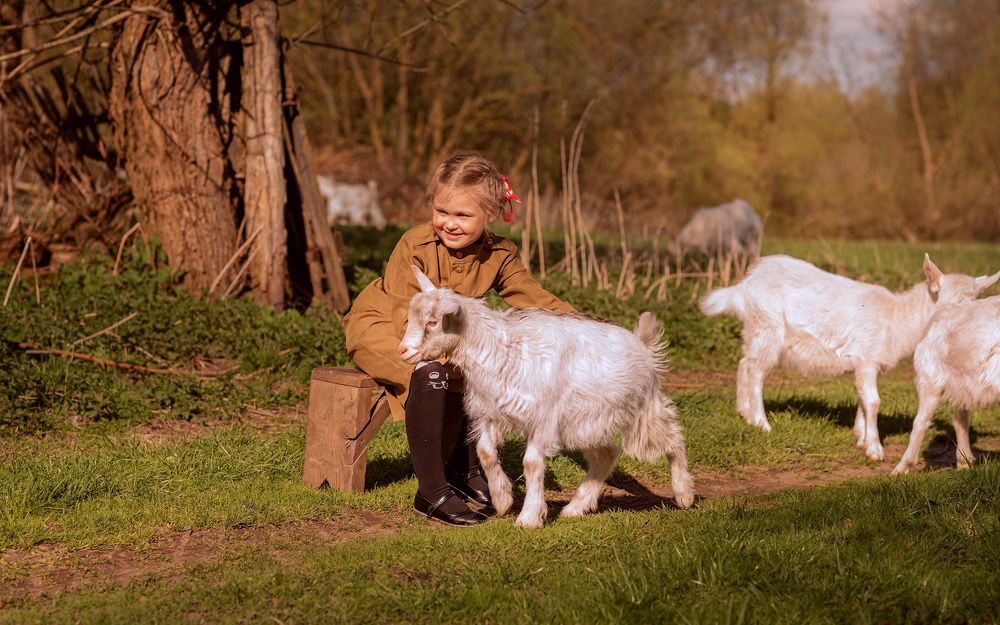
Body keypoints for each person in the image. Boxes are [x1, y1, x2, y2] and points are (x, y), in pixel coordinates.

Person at [344, 152, 574, 526]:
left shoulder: (498, 255)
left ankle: (464, 469)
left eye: (463, 216)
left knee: (481, 364)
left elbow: (534, 298)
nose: (448, 224)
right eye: (442, 211)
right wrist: (432, 350)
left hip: (444, 336)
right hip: (386, 324)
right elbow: (407, 311)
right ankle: (431, 491)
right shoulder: (415, 244)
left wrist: (587, 326)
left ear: (491, 214)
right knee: (430, 369)